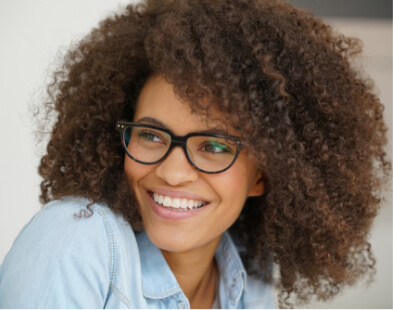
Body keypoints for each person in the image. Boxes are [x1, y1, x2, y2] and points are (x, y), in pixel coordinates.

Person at [0, 0, 390, 308]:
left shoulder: (248, 280)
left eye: (215, 146)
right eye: (151, 135)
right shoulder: (76, 238)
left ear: (263, 175)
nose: (172, 173)